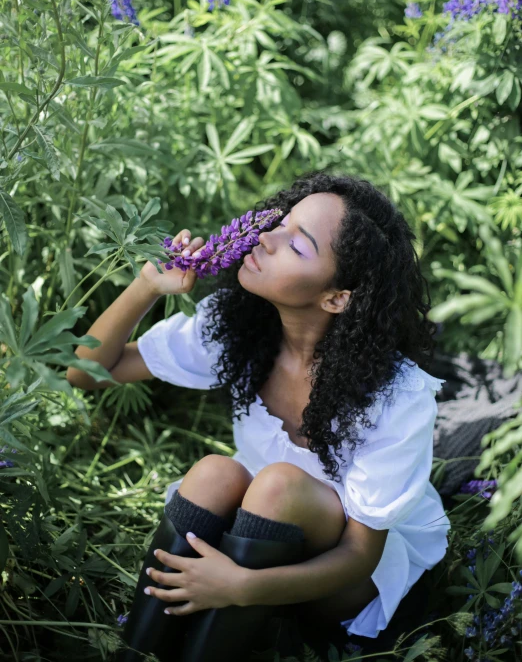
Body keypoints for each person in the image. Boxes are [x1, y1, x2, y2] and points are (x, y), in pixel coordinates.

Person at [67, 170, 451, 662]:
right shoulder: (237, 324)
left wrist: (242, 586)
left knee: (277, 486)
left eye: (298, 244)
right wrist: (147, 286)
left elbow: (358, 557)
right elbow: (89, 372)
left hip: (346, 577)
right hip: (260, 532)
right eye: (282, 222)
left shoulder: (397, 396)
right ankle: (135, 655)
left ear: (337, 298)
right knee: (213, 473)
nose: (266, 237)